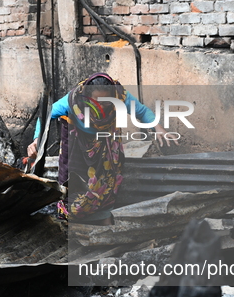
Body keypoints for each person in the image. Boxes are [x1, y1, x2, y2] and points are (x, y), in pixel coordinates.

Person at [27, 73, 174, 224]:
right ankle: (71, 220)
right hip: (77, 143)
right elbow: (47, 115)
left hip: (105, 143)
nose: (100, 107)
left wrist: (158, 128)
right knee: (73, 180)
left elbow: (141, 111)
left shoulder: (120, 96)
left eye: (106, 102)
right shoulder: (74, 99)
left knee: (106, 180)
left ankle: (103, 217)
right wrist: (37, 140)